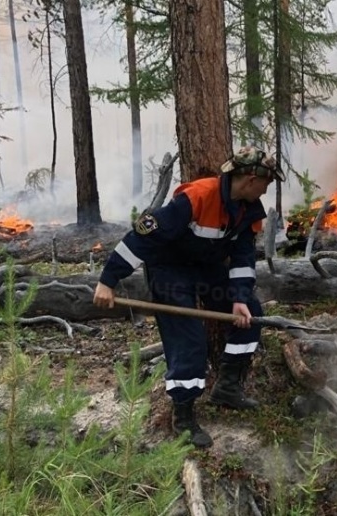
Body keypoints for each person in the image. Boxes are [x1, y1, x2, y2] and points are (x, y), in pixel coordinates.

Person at [93, 146, 285, 448]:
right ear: (250, 179)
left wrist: (238, 298)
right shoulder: (196, 198)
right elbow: (143, 236)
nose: (267, 188)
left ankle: (228, 387)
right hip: (170, 271)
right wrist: (107, 281)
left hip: (206, 270)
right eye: (266, 183)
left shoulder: (249, 211)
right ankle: (182, 416)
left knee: (252, 312)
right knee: (189, 338)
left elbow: (243, 257)